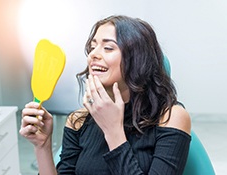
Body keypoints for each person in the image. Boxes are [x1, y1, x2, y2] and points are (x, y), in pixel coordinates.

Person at [20, 15, 191, 175]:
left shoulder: (170, 117)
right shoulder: (78, 121)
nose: (93, 54)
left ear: (138, 59)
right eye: (92, 47)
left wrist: (113, 132)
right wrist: (42, 146)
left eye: (108, 48)